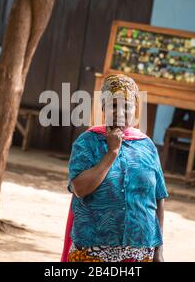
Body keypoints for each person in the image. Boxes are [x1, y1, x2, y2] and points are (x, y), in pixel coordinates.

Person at [61, 74, 169, 262]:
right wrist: (112, 152)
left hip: (140, 252)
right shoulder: (88, 142)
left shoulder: (146, 145)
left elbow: (159, 198)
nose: (120, 112)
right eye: (113, 106)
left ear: (135, 110)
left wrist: (159, 250)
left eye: (126, 106)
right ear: (103, 108)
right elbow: (80, 189)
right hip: (93, 250)